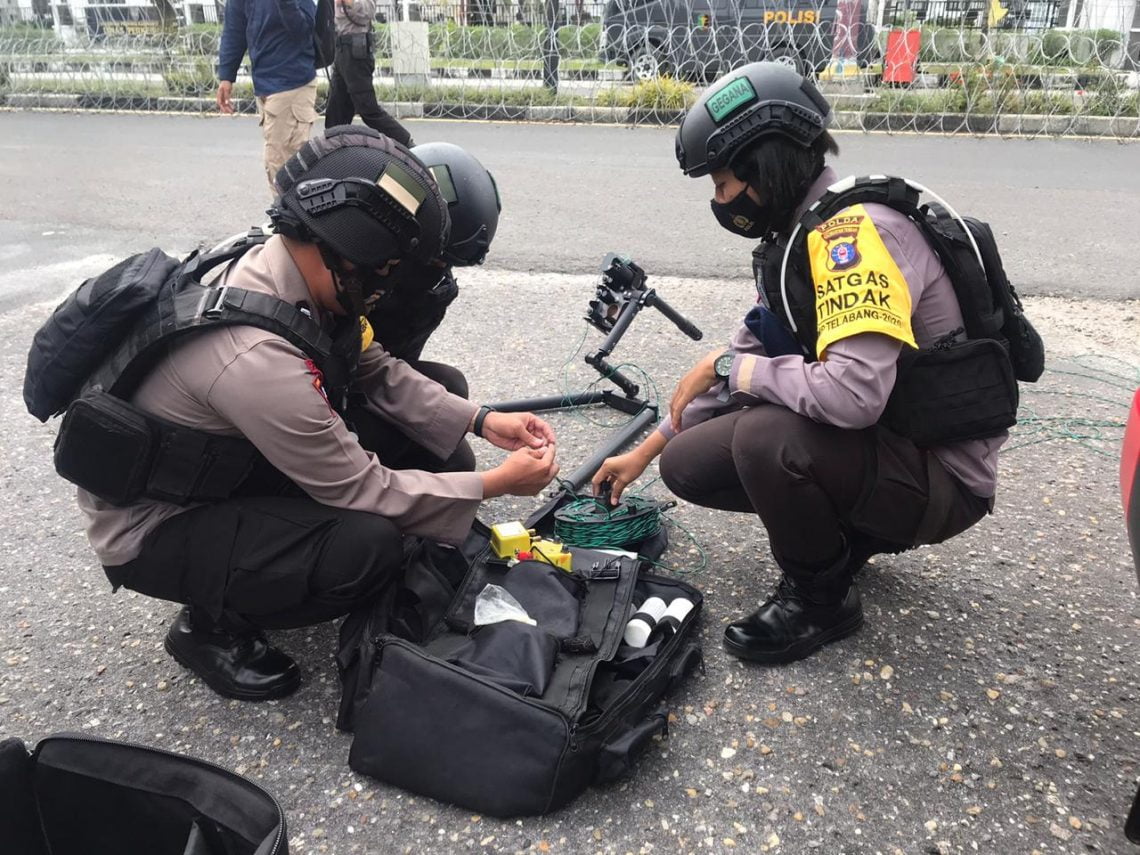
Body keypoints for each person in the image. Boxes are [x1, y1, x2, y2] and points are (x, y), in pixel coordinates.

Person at [81, 127, 559, 701]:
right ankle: (209, 625)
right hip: (158, 524)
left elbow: (371, 364)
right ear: (349, 254)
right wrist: (494, 486)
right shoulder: (255, 358)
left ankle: (276, 544)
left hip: (225, 460)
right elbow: (362, 489)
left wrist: (482, 419)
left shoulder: (293, 262)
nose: (390, 286)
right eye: (386, 270)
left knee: (441, 413)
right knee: (366, 548)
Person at [591, 62, 1005, 665]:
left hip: (942, 480)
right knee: (688, 462)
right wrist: (644, 451)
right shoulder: (800, 239)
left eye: (723, 184)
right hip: (890, 447)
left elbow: (851, 395)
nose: (719, 201)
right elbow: (752, 352)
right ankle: (846, 538)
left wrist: (729, 368)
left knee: (766, 435)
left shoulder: (854, 242)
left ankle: (820, 598)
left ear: (765, 169)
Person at [216, 0, 320, 195]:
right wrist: (226, 76)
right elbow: (234, 30)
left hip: (293, 82)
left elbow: (304, 31)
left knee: (283, 166)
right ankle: (289, 219)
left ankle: (292, 221)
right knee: (280, 165)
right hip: (265, 86)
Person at [324, 0, 413, 146]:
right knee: (336, 110)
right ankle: (332, 151)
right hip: (340, 50)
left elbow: (368, 11)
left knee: (367, 108)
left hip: (355, 51)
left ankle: (406, 143)